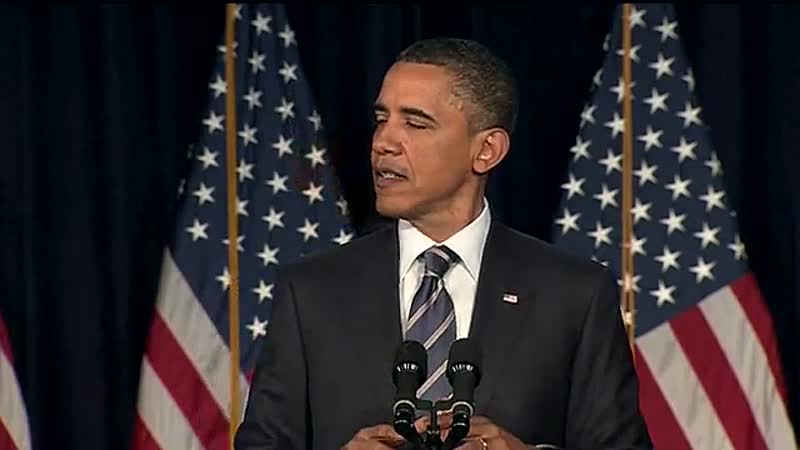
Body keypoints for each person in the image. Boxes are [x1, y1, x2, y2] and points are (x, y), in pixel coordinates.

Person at [235, 37, 653, 450]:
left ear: (486, 150)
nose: (383, 142)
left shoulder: (574, 295)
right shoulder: (311, 291)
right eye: (381, 119)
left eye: (415, 123)